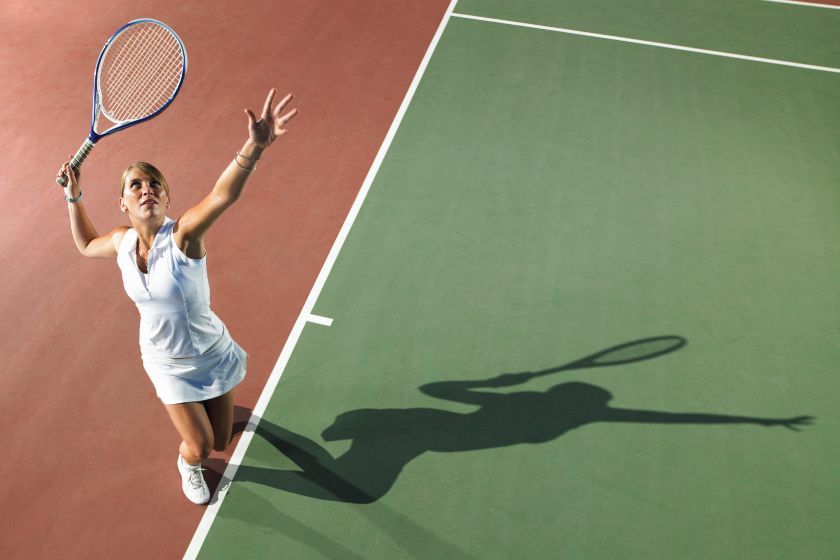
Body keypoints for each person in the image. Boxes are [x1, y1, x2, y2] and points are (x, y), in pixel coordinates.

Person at [57, 89, 298, 505]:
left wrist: (254, 147)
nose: (146, 189)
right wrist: (73, 195)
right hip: (165, 361)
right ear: (123, 203)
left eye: (155, 184)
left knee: (223, 440)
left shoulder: (184, 236)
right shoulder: (121, 242)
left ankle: (214, 422)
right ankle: (187, 463)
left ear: (167, 198)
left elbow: (223, 195)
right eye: (136, 185)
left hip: (211, 352)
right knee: (203, 449)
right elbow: (84, 244)